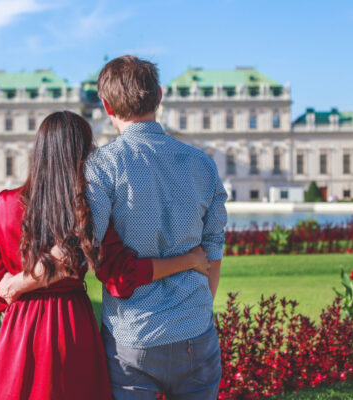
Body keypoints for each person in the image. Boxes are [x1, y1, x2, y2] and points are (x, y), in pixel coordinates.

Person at [0, 111, 212, 400]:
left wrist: (14, 284)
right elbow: (122, 275)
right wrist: (189, 261)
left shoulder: (2, 204)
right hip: (70, 323)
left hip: (20, 328)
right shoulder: (85, 207)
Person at [87, 55, 227, 399]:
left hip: (132, 334)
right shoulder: (202, 164)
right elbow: (213, 248)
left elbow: (91, 249)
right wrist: (197, 308)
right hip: (195, 329)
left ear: (106, 105)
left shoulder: (102, 167)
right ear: (160, 96)